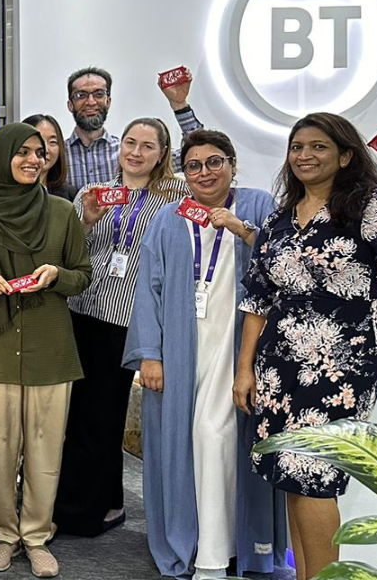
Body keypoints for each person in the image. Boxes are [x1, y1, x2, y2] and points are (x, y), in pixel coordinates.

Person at [235, 113, 377, 580]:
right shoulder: (279, 219)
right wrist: (244, 369)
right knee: (290, 474)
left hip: (341, 365)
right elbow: (258, 297)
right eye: (297, 147)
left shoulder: (370, 208)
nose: (305, 155)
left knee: (314, 475)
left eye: (319, 147)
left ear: (346, 156)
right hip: (278, 365)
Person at [123, 129, 286, 579]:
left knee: (217, 438)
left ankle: (225, 553)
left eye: (215, 162)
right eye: (193, 166)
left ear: (232, 163)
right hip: (181, 346)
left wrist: (239, 228)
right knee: (186, 444)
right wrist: (149, 355)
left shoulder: (256, 205)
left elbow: (283, 260)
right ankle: (194, 545)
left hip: (240, 345)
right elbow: (148, 288)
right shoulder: (168, 218)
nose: (204, 172)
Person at [0, 123, 92, 578]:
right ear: (0, 158)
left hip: (50, 349)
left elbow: (83, 274)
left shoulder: (61, 213)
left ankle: (36, 535)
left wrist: (59, 275)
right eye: (23, 152)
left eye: (40, 152)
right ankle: (4, 534)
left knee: (45, 449)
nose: (34, 159)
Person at [54, 117, 188, 537]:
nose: (136, 152)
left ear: (163, 153)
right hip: (81, 313)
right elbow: (67, 249)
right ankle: (97, 500)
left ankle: (90, 511)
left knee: (105, 416)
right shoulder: (92, 193)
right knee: (77, 414)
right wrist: (88, 220)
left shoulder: (177, 197)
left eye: (148, 146)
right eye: (130, 142)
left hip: (128, 320)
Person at [63, 67, 200, 189]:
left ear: (108, 102)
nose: (91, 102)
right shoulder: (56, 156)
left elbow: (198, 154)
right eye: (81, 95)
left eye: (99, 94)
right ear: (70, 104)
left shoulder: (131, 154)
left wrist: (179, 104)